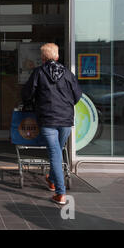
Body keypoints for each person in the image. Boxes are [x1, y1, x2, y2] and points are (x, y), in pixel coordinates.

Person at [21, 43, 82, 205]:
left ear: (42, 58)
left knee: (55, 154)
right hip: (66, 120)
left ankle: (60, 193)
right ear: (57, 56)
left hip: (48, 119)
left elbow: (27, 94)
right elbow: (77, 96)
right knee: (58, 151)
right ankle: (52, 178)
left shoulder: (39, 73)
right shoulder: (68, 74)